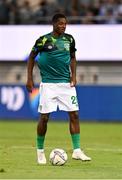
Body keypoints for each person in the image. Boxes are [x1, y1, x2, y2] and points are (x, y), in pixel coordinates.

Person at [26, 13, 91, 164]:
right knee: (44, 117)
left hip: (66, 85)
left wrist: (73, 76)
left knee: (74, 114)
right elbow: (31, 57)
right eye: (61, 23)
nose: (63, 26)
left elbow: (73, 58)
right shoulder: (43, 40)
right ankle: (40, 152)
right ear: (54, 24)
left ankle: (76, 150)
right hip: (48, 84)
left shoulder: (69, 39)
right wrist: (30, 78)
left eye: (65, 24)